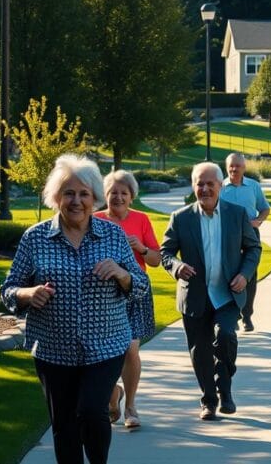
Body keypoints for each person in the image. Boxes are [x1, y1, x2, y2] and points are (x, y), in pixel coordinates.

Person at [0, 154, 148, 464]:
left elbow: (140, 287)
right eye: (69, 193)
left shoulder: (113, 235)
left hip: (106, 345)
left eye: (83, 194)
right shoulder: (36, 238)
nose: (76, 201)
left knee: (92, 412)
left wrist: (122, 274)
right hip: (53, 350)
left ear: (95, 197)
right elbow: (8, 289)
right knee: (64, 426)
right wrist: (28, 294)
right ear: (56, 197)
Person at [161, 161, 261, 420]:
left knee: (227, 335)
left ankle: (225, 388)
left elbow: (253, 249)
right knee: (200, 350)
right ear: (193, 186)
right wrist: (177, 266)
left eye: (210, 184)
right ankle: (209, 400)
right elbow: (166, 253)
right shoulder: (181, 218)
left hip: (227, 294)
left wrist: (244, 274)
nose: (205, 189)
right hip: (194, 296)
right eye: (200, 184)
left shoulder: (237, 214)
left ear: (220, 186)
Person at [94, 170, 159, 430]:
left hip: (135, 292)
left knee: (130, 348)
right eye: (113, 192)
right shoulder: (95, 220)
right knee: (103, 351)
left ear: (132, 196)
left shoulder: (142, 220)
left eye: (124, 192)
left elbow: (155, 260)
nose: (118, 197)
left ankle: (130, 405)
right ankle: (113, 397)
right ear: (105, 196)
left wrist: (141, 248)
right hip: (102, 296)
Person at [219, 153, 270, 332]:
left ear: (244, 168)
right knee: (228, 275)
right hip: (226, 237)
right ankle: (233, 315)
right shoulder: (220, 187)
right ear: (227, 167)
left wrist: (258, 221)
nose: (234, 169)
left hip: (250, 235)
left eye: (238, 166)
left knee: (249, 276)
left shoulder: (253, 186)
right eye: (231, 166)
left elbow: (265, 208)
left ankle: (247, 315)